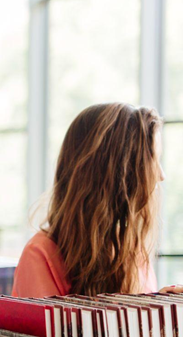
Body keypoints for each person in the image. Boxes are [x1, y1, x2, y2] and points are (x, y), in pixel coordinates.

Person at [13, 102, 180, 297]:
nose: (161, 175)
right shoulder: (40, 255)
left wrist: (160, 307)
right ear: (117, 173)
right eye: (152, 160)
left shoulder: (133, 251)